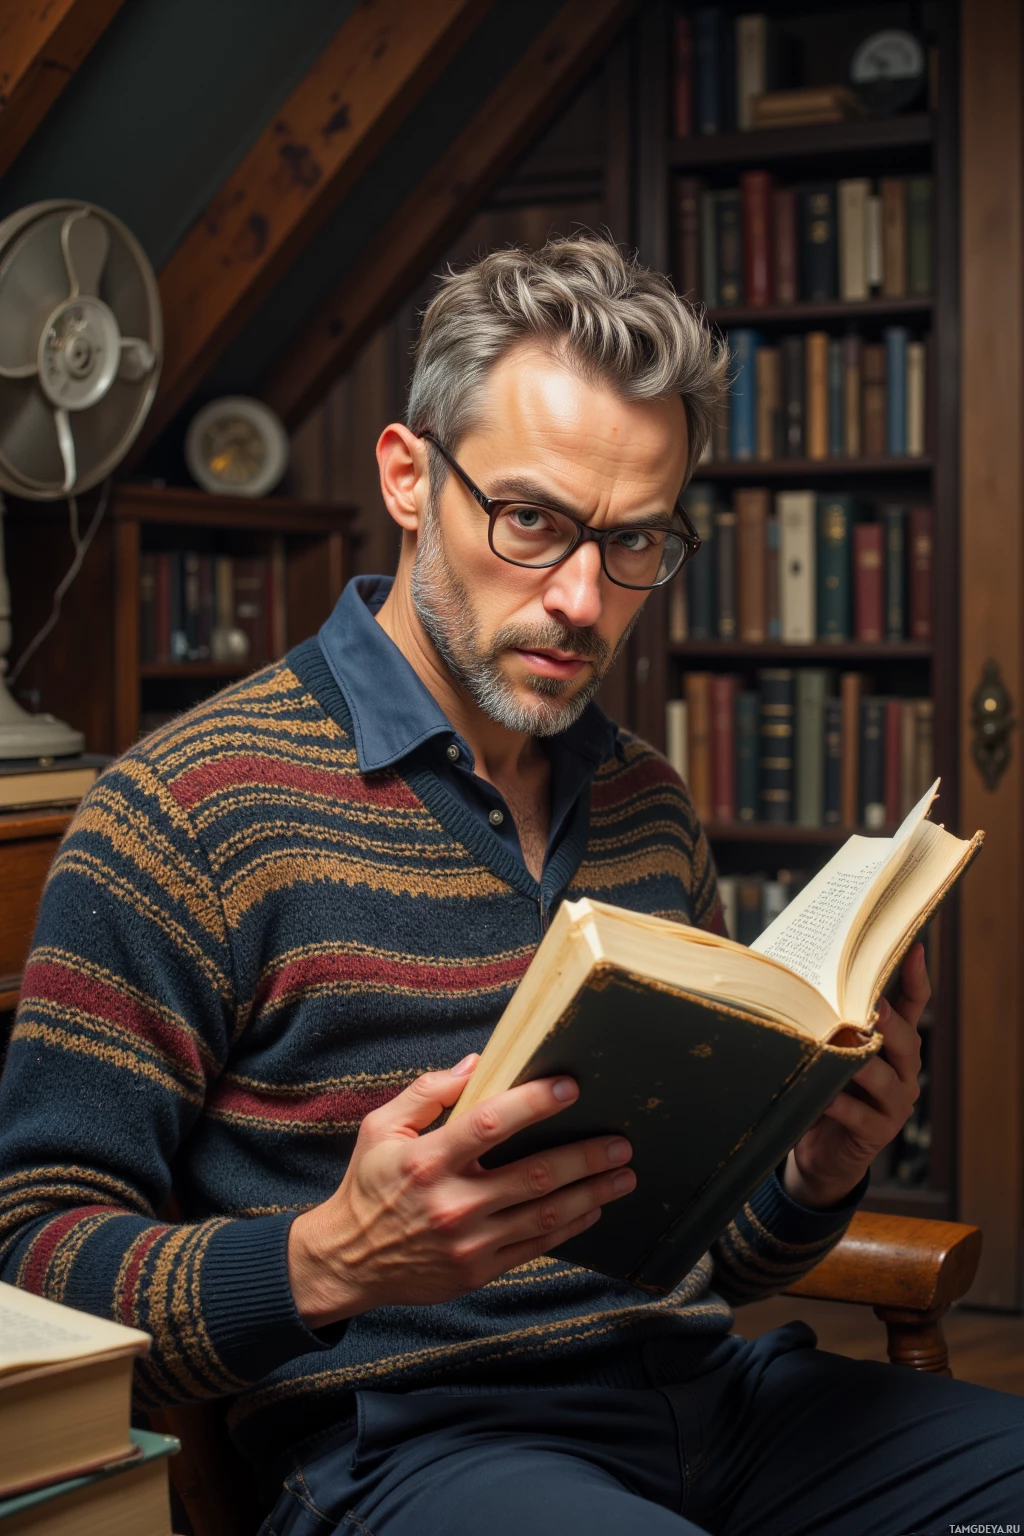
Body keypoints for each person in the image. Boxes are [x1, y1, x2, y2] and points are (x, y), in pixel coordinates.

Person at [0, 237, 1019, 1536]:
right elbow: (26, 1264)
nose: (584, 599)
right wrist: (321, 1263)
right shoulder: (184, 813)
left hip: (719, 1402)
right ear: (409, 476)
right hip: (421, 1452)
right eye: (533, 521)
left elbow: (713, 1257)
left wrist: (821, 1164)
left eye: (636, 539)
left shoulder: (648, 804)